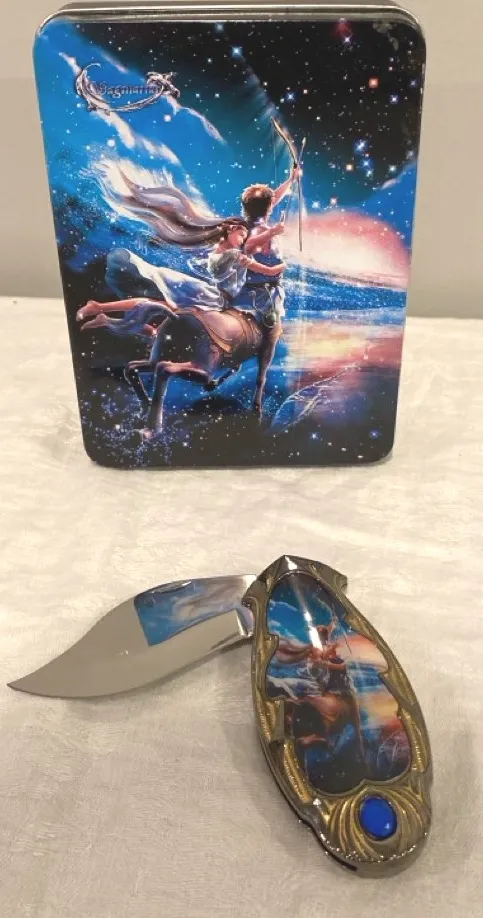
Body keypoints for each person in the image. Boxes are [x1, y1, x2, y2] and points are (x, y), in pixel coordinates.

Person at [76, 220, 286, 334]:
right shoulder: (235, 255)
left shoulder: (219, 251)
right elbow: (269, 272)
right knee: (165, 308)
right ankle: (101, 309)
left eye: (245, 237)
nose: (243, 240)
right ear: (230, 231)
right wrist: (280, 260)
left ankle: (104, 312)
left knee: (161, 306)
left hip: (210, 294)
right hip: (213, 298)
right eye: (241, 235)